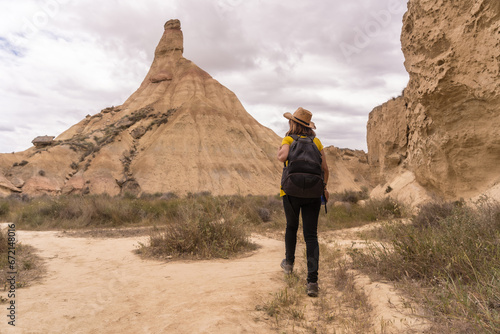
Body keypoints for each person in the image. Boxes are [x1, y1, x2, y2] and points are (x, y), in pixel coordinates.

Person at [277, 107, 329, 297]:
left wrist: (281, 149)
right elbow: (325, 168)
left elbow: (282, 157)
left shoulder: (289, 139)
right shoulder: (317, 142)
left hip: (290, 191)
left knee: (291, 227)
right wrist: (324, 188)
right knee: (311, 236)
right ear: (308, 126)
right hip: (314, 193)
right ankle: (312, 282)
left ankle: (289, 264)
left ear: (293, 123)